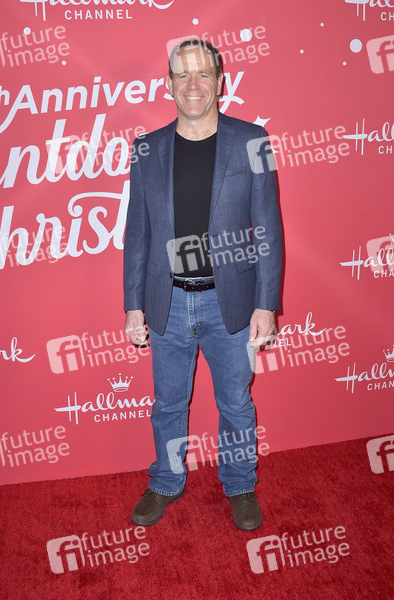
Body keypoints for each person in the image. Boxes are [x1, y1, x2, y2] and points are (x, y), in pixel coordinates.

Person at [123, 38, 282, 530]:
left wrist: (266, 303)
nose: (193, 84)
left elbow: (268, 227)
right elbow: (137, 233)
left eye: (203, 74)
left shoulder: (252, 140)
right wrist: (133, 305)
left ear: (219, 81)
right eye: (182, 74)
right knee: (168, 403)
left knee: (235, 402)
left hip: (230, 302)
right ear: (169, 83)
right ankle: (166, 481)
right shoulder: (146, 149)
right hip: (167, 301)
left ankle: (239, 484)